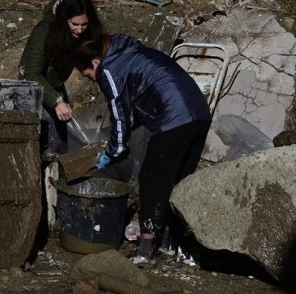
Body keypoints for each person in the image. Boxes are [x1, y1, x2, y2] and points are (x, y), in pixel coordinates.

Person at [73, 33, 212, 264]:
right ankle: (170, 241)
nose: (90, 79)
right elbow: (133, 107)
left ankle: (146, 249)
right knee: (178, 180)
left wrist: (111, 153)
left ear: (95, 62)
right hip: (199, 113)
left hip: (174, 116)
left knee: (152, 179)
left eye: (87, 73)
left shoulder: (108, 69)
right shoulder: (131, 53)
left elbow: (118, 114)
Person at [19, 0, 103, 154]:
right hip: (32, 86)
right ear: (65, 19)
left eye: (84, 25)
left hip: (54, 82)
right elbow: (31, 73)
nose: (80, 30)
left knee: (61, 136)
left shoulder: (82, 32)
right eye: (75, 24)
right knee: (42, 139)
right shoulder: (44, 32)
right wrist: (56, 102)